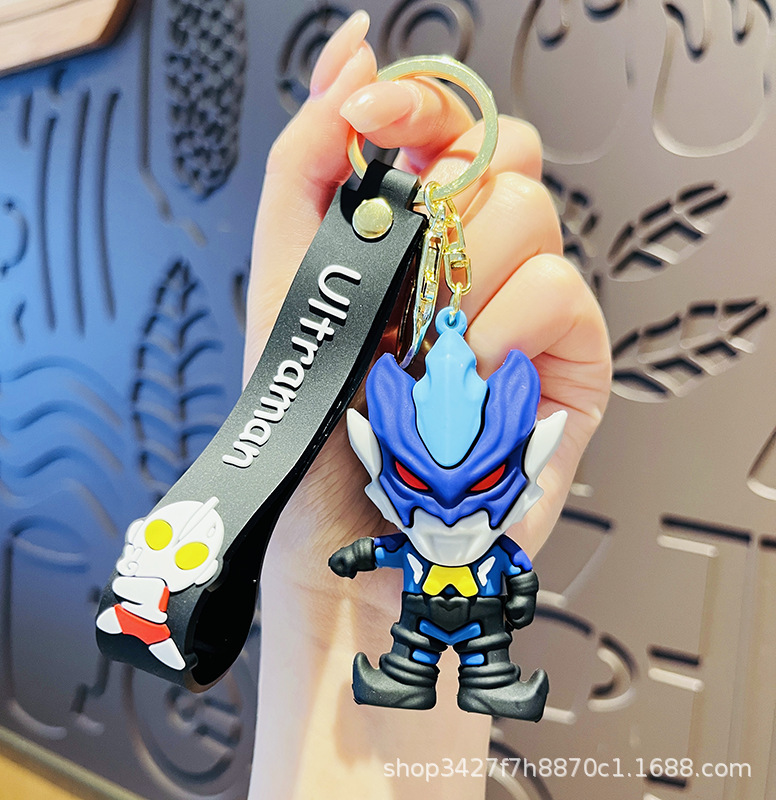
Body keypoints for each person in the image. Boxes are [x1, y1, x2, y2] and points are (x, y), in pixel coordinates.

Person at [246, 10, 611, 799]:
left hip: (439, 628)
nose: (449, 511)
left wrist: (361, 589)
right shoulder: (422, 527)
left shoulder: (471, 543)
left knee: (472, 652)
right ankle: (423, 667)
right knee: (422, 649)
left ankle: (466, 673)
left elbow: (469, 565)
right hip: (407, 625)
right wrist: (331, 579)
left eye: (478, 490)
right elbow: (375, 557)